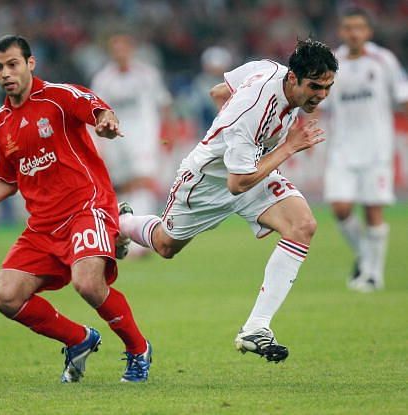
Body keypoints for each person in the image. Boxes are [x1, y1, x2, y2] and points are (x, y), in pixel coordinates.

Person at [0, 35, 152, 383]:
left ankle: (139, 350)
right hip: (43, 226)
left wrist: (106, 122)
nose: (6, 73)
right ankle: (78, 339)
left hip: (86, 206)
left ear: (30, 64)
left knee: (88, 284)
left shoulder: (59, 96)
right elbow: (7, 180)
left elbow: (98, 109)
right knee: (5, 296)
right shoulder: (0, 123)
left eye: (13, 64)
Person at [117, 39, 338, 362]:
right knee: (166, 245)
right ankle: (120, 222)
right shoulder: (256, 111)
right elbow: (236, 183)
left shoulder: (269, 68)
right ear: (293, 78)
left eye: (328, 87)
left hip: (252, 168)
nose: (321, 95)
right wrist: (284, 146)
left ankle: (256, 328)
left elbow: (219, 92)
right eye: (315, 86)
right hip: (208, 180)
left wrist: (237, 140)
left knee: (302, 225)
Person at [322, 8, 408, 292]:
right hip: (342, 149)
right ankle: (365, 255)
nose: (353, 33)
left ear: (368, 32)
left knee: (373, 211)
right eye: (348, 27)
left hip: (377, 150)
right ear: (341, 31)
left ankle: (373, 275)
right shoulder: (332, 63)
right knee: (340, 208)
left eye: (359, 27)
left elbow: (402, 97)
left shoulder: (383, 60)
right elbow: (318, 104)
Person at [90, 34, 172, 257]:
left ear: (131, 50)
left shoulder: (148, 75)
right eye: (115, 49)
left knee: (144, 183)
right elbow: (95, 113)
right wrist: (100, 144)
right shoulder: (103, 80)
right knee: (125, 187)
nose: (120, 53)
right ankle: (125, 234)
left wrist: (167, 135)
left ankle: (141, 243)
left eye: (123, 48)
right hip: (116, 142)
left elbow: (163, 104)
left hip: (144, 138)